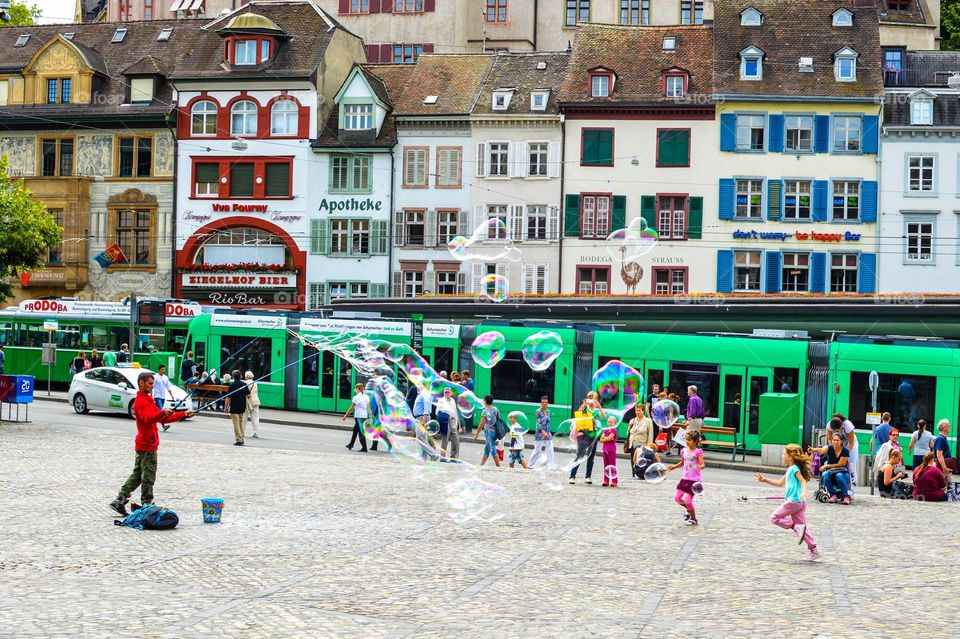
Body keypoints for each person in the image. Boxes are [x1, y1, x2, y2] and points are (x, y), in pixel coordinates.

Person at [108, 372, 195, 516]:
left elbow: (163, 419)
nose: (152, 386)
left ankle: (119, 501)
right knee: (148, 476)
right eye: (150, 383)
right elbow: (149, 418)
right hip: (147, 445)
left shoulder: (148, 399)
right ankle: (147, 505)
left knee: (137, 476)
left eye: (153, 383)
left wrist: (183, 414)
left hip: (146, 444)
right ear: (141, 383)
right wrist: (163, 413)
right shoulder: (141, 401)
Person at [755, 444, 820, 560]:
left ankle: (795, 527)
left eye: (784, 453)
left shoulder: (794, 469)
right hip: (800, 503)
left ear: (791, 457)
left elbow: (803, 481)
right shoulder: (791, 469)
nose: (782, 455)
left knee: (774, 517)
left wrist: (805, 492)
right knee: (802, 528)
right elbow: (780, 483)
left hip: (793, 502)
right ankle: (813, 549)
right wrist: (765, 480)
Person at [668, 430, 705, 525]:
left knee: (688, 501)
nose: (687, 441)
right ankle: (688, 510)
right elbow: (682, 463)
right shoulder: (684, 450)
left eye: (689, 440)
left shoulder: (698, 452)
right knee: (677, 498)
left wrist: (700, 466)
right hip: (685, 479)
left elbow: (702, 464)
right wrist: (674, 467)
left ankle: (694, 519)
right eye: (686, 439)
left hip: (694, 481)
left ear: (695, 441)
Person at [569, 391, 605, 485]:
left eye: (594, 398)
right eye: (591, 397)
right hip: (582, 435)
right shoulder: (584, 408)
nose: (593, 400)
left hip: (593, 435)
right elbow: (578, 416)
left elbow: (603, 417)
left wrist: (600, 406)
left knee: (591, 457)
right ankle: (572, 476)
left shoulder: (597, 410)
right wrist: (584, 406)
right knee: (580, 455)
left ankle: (588, 476)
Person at [810, 432, 851, 504]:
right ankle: (832, 495)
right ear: (831, 440)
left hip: (843, 473)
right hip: (831, 473)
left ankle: (846, 496)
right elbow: (821, 450)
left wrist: (826, 466)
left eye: (837, 440)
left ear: (841, 441)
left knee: (839, 475)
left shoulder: (845, 451)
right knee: (825, 474)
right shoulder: (829, 448)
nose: (835, 442)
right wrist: (813, 449)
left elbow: (840, 464)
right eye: (834, 440)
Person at [829, 415, 859, 491]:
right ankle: (837, 488)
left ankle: (852, 490)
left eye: (838, 429)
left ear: (842, 425)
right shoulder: (829, 425)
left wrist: (846, 455)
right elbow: (830, 440)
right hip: (838, 447)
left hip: (851, 447)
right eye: (834, 430)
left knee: (851, 467)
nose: (836, 431)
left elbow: (851, 443)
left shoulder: (848, 425)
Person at [473, 394, 501, 467]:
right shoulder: (496, 409)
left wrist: (476, 434)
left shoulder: (485, 411)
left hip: (488, 432)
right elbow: (498, 420)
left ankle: (498, 466)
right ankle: (481, 465)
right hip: (495, 432)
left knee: (492, 449)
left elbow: (481, 424)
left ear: (485, 401)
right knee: (487, 449)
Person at [224, 369, 250, 446]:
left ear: (233, 377)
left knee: (236, 424)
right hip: (242, 406)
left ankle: (239, 439)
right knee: (241, 423)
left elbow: (228, 398)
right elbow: (249, 395)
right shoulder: (244, 384)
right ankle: (242, 437)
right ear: (240, 376)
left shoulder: (232, 385)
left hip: (234, 407)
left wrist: (226, 407)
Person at [529, 396, 555, 470]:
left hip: (547, 431)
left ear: (548, 403)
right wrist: (543, 432)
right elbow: (538, 423)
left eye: (545, 402)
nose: (544, 403)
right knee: (537, 449)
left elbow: (548, 423)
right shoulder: (538, 411)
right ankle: (530, 465)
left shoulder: (548, 412)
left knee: (550, 448)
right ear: (540, 403)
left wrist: (548, 432)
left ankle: (551, 465)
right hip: (540, 433)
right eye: (543, 402)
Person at [342, 383, 370, 452]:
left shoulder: (356, 397)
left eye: (356, 389)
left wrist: (345, 416)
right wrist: (371, 416)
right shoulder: (366, 397)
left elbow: (351, 408)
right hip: (364, 416)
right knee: (355, 430)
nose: (355, 390)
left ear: (359, 389)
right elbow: (368, 408)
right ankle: (351, 444)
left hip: (358, 416)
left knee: (360, 432)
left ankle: (364, 448)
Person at [436, 387, 460, 460]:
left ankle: (453, 457)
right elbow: (438, 411)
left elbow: (454, 411)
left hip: (453, 422)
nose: (447, 394)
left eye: (448, 392)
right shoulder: (441, 400)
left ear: (451, 393)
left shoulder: (452, 400)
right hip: (445, 422)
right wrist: (448, 416)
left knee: (456, 440)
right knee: (445, 441)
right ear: (443, 393)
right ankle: (442, 457)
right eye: (445, 392)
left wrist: (457, 421)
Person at [600, 416, 619, 487]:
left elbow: (608, 438)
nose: (609, 423)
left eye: (611, 422)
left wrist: (606, 438)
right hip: (605, 450)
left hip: (611, 450)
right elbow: (601, 440)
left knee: (612, 466)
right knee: (606, 466)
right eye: (608, 422)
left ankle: (614, 481)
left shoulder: (614, 431)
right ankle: (606, 481)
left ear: (615, 423)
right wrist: (606, 438)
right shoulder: (606, 430)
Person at [243, 371, 261, 439]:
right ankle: (255, 432)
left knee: (244, 416)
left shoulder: (245, 383)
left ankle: (242, 431)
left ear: (247, 376)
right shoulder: (255, 383)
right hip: (256, 401)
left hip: (248, 401)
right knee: (255, 417)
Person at [461, 370, 475, 434]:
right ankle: (467, 429)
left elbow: (464, 390)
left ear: (466, 375)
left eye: (463, 375)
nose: (462, 376)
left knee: (469, 416)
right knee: (466, 415)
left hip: (469, 401)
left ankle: (469, 430)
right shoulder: (467, 382)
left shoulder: (470, 383)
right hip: (466, 401)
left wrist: (463, 384)